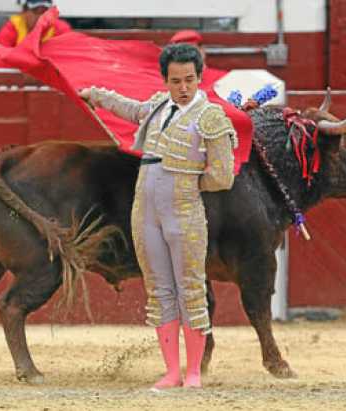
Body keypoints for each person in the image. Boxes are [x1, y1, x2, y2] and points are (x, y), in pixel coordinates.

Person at [79, 44, 237, 390]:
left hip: (183, 210)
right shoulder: (158, 106)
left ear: (199, 78)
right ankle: (172, 372)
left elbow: (223, 176)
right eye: (176, 81)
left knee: (190, 288)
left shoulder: (210, 116)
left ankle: (193, 372)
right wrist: (98, 96)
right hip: (145, 209)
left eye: (190, 80)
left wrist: (188, 182)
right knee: (160, 289)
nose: (183, 87)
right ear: (166, 80)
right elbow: (132, 109)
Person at [0, 0, 70, 68]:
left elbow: (67, 61)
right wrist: (26, 64)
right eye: (35, 11)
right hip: (19, 82)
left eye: (45, 12)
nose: (40, 17)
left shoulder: (60, 29)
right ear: (24, 12)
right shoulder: (13, 26)